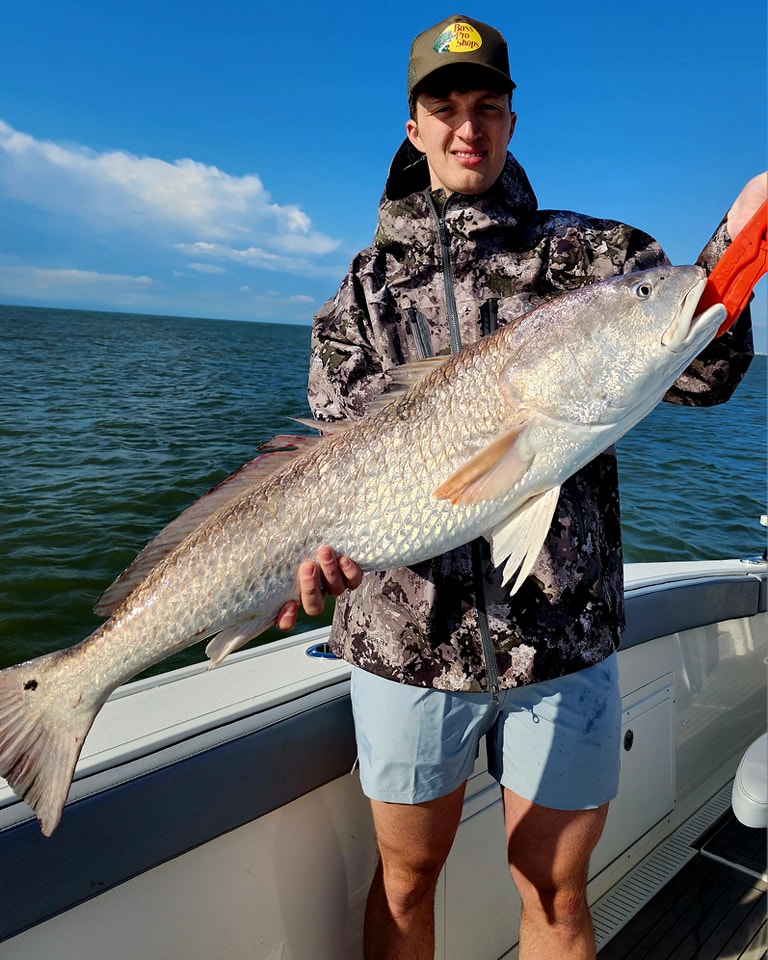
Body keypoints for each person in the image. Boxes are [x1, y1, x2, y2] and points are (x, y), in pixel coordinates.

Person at [277, 15, 762, 960]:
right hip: (405, 639)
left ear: (511, 117)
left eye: (488, 105)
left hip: (563, 638)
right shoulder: (362, 296)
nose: (469, 126)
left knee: (554, 888)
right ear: (413, 126)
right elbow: (334, 465)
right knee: (408, 880)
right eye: (444, 107)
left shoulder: (596, 258)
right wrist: (318, 557)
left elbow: (705, 371)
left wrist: (738, 247)